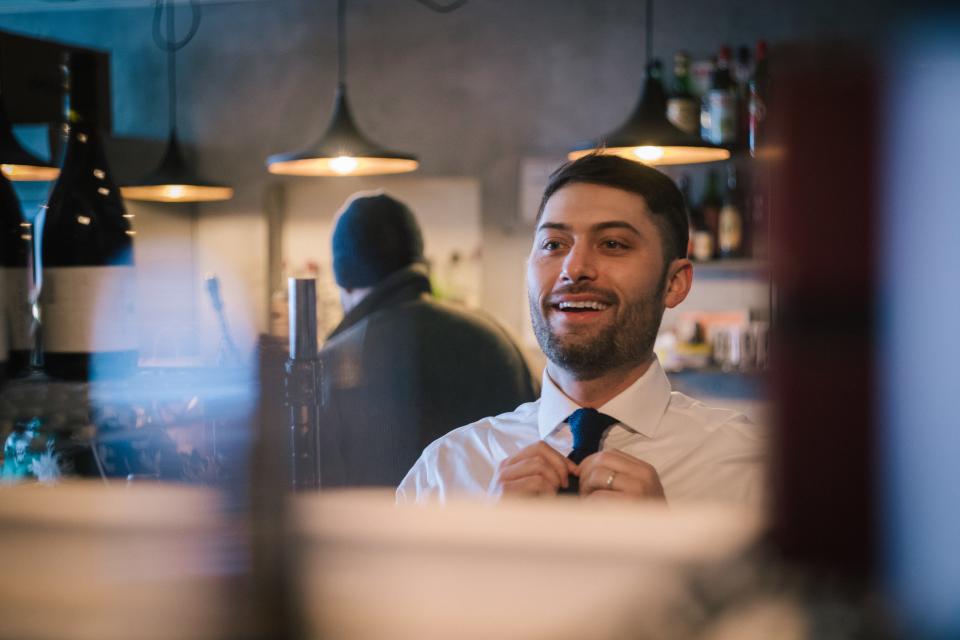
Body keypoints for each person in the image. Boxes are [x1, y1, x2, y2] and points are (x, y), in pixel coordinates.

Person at [398, 155, 765, 505]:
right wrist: (493, 547)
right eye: (554, 244)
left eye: (612, 244)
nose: (574, 268)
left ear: (674, 283)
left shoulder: (751, 471)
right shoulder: (444, 473)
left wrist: (667, 547)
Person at [317, 192, 539, 487]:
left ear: (342, 277)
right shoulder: (497, 337)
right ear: (419, 259)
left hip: (375, 532)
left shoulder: (334, 364)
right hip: (499, 529)